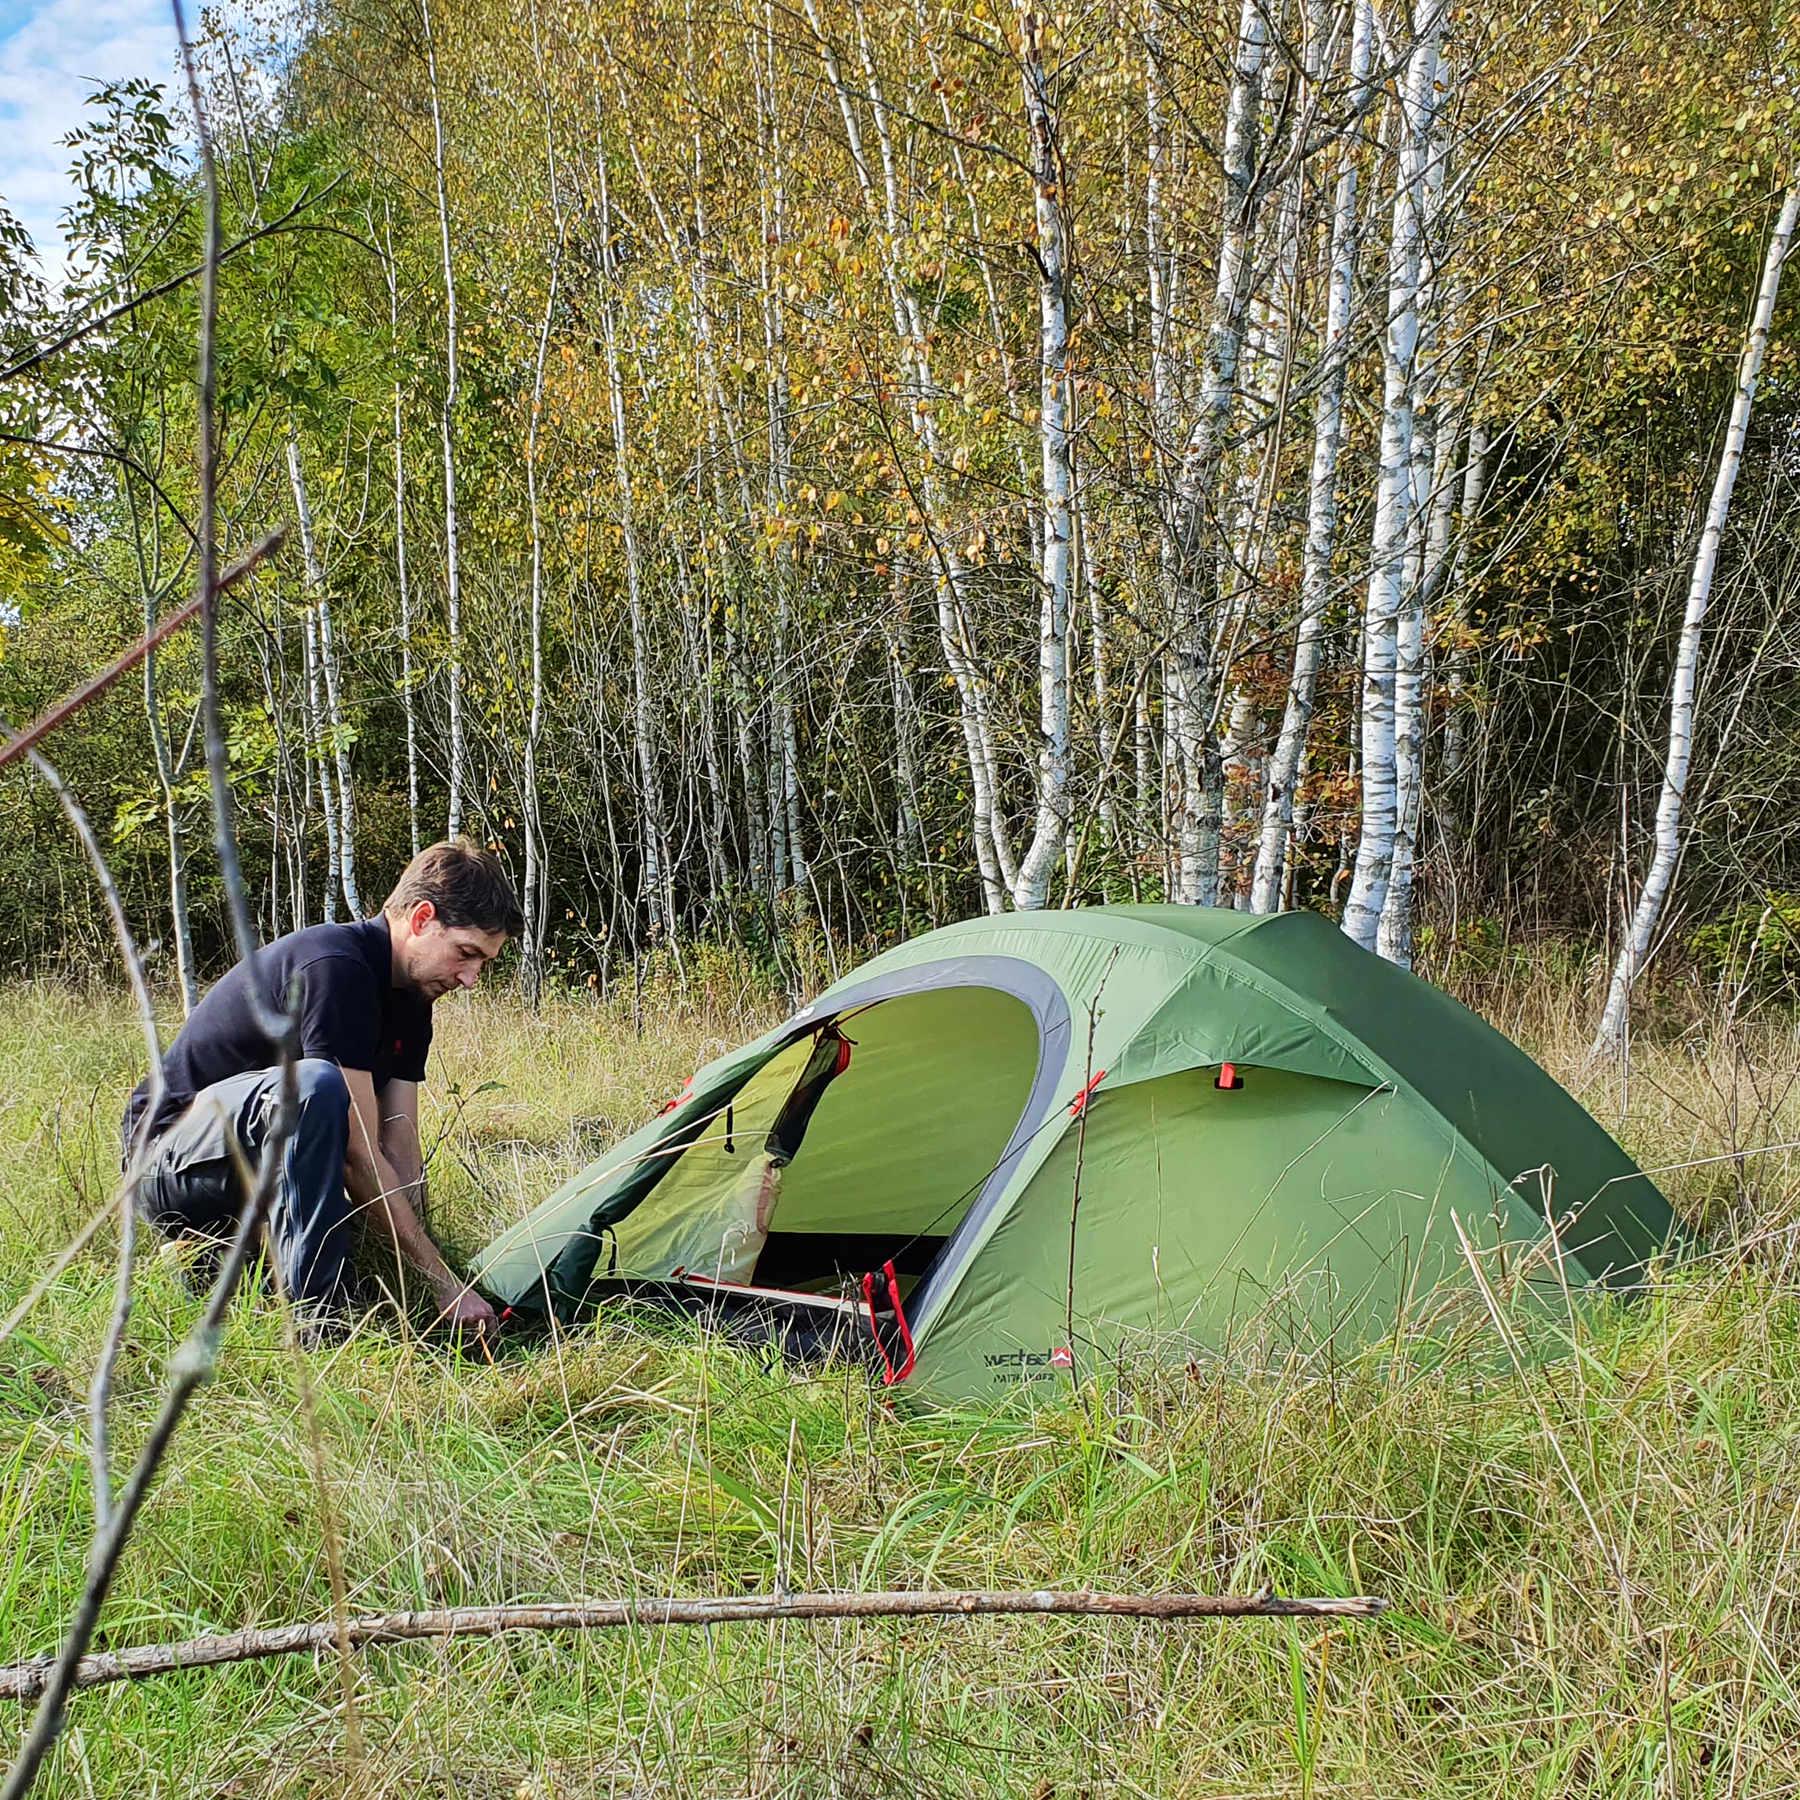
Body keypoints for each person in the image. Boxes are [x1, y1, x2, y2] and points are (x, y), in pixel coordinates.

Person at [122, 839, 523, 1338]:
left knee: (334, 1125)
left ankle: (223, 1266)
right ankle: (323, 1327)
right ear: (421, 918)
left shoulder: (413, 1000)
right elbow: (358, 1156)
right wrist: (441, 1283)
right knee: (317, 1085)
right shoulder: (336, 966)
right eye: (466, 954)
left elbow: (399, 1147)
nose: (470, 979)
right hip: (170, 1165)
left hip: (257, 1170)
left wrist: (428, 1271)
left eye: (483, 963)